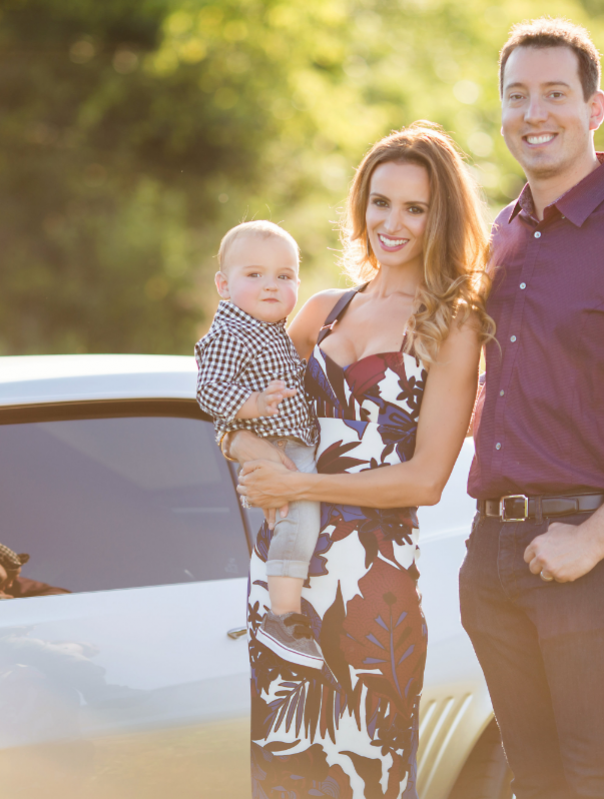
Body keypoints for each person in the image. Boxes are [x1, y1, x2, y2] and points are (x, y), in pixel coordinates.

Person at [230, 123, 493, 798]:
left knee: (362, 773)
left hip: (371, 586)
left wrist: (299, 480)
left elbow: (427, 478)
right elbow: (235, 408)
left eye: (415, 207)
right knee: (284, 770)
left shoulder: (452, 321)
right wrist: (247, 449)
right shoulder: (319, 310)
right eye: (381, 202)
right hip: (283, 581)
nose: (393, 222)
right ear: (360, 204)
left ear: (442, 218)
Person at [460, 18, 604, 799]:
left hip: (594, 555)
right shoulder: (498, 237)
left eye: (554, 94)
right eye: (517, 96)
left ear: (593, 107)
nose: (533, 112)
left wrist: (595, 539)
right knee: (535, 784)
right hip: (491, 559)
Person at [194, 220, 323, 669]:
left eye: (284, 276)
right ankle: (283, 616)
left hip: (291, 440)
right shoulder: (232, 331)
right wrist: (251, 404)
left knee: (297, 516)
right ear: (223, 285)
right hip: (277, 441)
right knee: (297, 517)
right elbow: (209, 391)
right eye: (255, 275)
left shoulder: (273, 329)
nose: (271, 285)